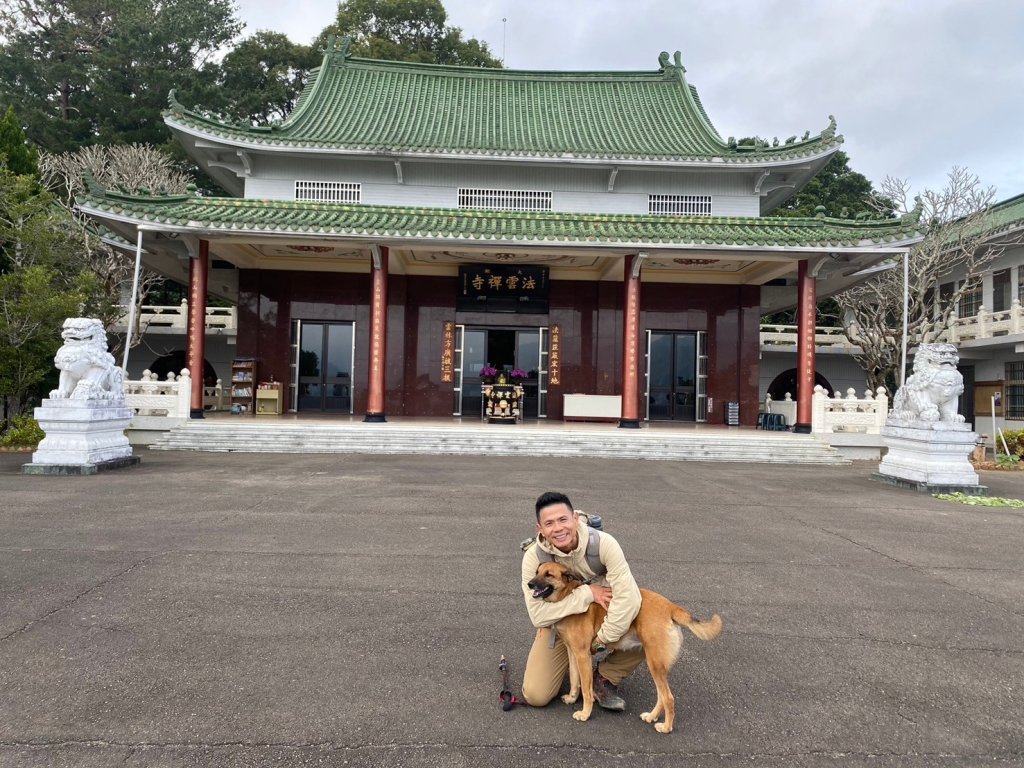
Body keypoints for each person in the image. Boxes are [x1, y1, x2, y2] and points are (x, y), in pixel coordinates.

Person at [520, 491, 644, 710]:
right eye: (549, 523)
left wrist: (602, 640)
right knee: (535, 695)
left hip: (602, 617)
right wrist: (586, 594)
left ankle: (605, 676)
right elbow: (537, 615)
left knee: (647, 632)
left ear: (575, 518)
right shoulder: (534, 558)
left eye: (563, 520)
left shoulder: (604, 545)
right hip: (559, 623)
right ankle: (576, 669)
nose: (558, 528)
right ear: (540, 529)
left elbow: (629, 598)